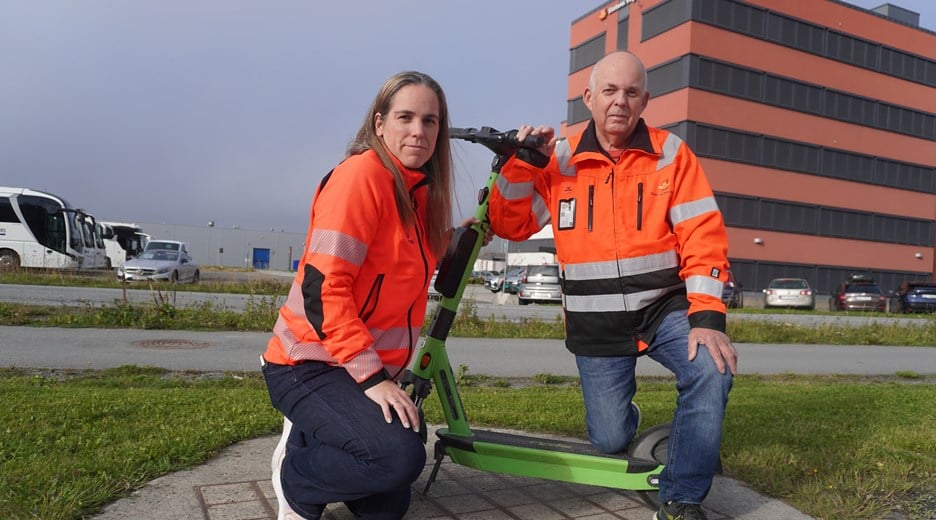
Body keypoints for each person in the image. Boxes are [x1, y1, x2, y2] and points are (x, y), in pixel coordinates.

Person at [487, 51, 738, 520]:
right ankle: (632, 426)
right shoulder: (556, 157)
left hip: (663, 309)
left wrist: (707, 318)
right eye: (609, 91)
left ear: (645, 100)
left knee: (711, 366)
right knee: (608, 439)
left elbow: (702, 235)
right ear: (588, 98)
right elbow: (510, 223)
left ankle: (681, 496)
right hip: (596, 321)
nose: (619, 102)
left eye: (630, 93)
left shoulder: (672, 154)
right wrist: (522, 163)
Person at [260, 70, 475, 520]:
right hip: (310, 361)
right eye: (406, 117)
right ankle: (296, 476)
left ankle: (314, 434)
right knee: (396, 457)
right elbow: (324, 288)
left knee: (388, 502)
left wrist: (461, 235)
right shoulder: (361, 177)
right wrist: (374, 381)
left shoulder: (418, 195)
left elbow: (405, 265)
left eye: (431, 121)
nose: (419, 130)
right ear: (379, 124)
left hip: (358, 368)